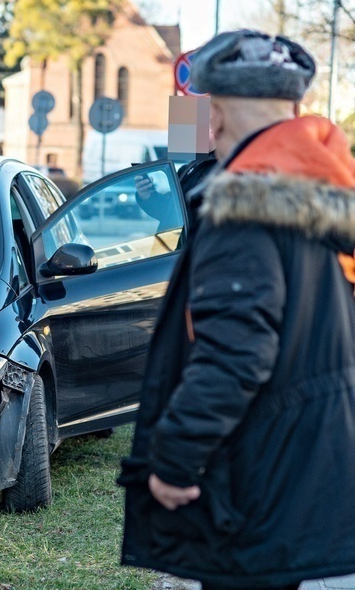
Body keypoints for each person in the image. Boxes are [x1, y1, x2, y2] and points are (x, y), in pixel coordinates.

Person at [119, 29, 355, 590]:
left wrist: (173, 459)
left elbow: (235, 355)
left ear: (216, 115)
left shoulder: (241, 213)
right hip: (308, 467)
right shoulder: (324, 196)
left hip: (253, 474)